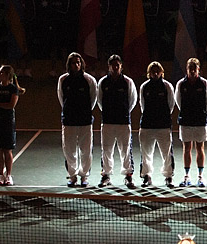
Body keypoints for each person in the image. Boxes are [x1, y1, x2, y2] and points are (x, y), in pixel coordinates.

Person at [97, 55, 138, 189]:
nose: (115, 67)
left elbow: (132, 100)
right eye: (112, 65)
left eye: (117, 65)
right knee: (107, 150)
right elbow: (99, 101)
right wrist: (108, 113)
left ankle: (128, 176)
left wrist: (124, 112)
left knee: (125, 149)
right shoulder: (103, 82)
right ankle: (106, 176)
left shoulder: (128, 82)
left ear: (121, 66)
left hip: (123, 122)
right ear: (108, 67)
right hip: (108, 122)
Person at [57, 52, 97, 188]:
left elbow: (93, 99)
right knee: (69, 149)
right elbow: (62, 98)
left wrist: (85, 111)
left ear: (82, 64)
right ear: (69, 65)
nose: (76, 65)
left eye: (78, 62)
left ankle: (84, 176)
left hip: (85, 120)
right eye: (74, 63)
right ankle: (72, 176)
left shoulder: (89, 80)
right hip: (69, 120)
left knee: (86, 149)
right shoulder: (63, 80)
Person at [175, 58, 207, 188]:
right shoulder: (181, 84)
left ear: (198, 69)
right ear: (186, 69)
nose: (192, 70)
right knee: (186, 148)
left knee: (199, 148)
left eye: (194, 68)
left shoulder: (205, 84)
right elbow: (178, 102)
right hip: (185, 121)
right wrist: (187, 112)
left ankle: (200, 176)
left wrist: (200, 113)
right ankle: (187, 176)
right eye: (190, 68)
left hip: (200, 121)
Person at [138, 61, 175, 188]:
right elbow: (142, 105)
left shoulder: (167, 86)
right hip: (147, 125)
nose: (155, 73)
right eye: (152, 71)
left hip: (163, 125)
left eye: (157, 71)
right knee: (146, 153)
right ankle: (147, 176)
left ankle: (168, 176)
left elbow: (171, 105)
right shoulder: (144, 87)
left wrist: (163, 117)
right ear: (149, 73)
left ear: (161, 72)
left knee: (166, 152)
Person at [0, 65, 26, 186]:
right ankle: (0, 175)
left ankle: (9, 176)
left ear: (7, 75)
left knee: (7, 150)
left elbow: (11, 105)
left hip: (8, 122)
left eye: (1, 72)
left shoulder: (13, 89)